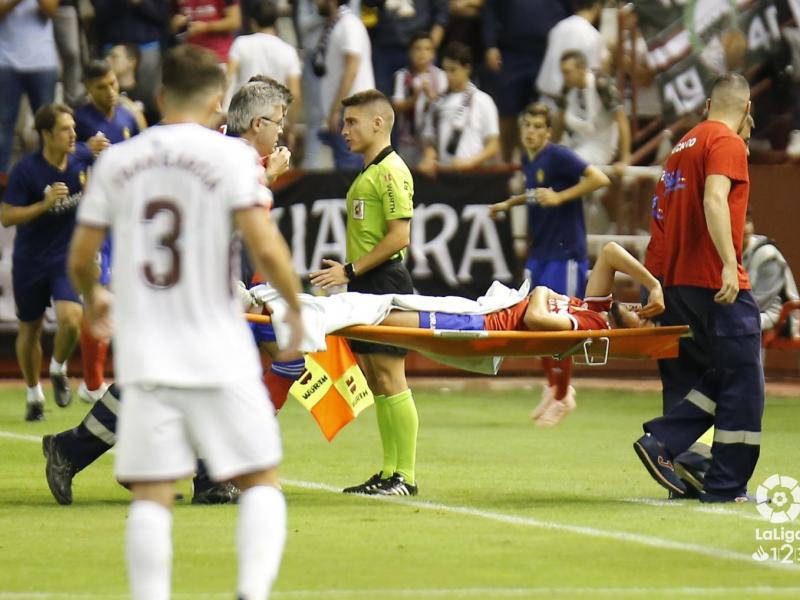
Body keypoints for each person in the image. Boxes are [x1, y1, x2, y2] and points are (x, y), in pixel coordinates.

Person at [68, 44, 303, 600]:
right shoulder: (232, 159)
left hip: (148, 347)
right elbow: (264, 244)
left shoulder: (120, 160)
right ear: (219, 101)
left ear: (157, 95)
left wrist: (93, 297)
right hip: (218, 343)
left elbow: (81, 257)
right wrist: (293, 304)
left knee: (152, 493)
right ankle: (251, 591)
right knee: (261, 478)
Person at [632, 73, 764, 504]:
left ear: (707, 104)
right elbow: (714, 199)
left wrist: (653, 287)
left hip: (674, 285)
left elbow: (660, 220)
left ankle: (683, 471)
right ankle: (717, 480)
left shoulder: (679, 148)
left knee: (695, 378)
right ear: (746, 108)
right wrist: (729, 262)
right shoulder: (726, 143)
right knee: (743, 378)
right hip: (713, 280)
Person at [310, 89, 419, 497]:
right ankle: (391, 471)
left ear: (378, 123)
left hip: (383, 283)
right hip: (365, 285)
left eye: (352, 122)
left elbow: (399, 236)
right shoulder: (370, 171)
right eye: (344, 122)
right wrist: (350, 275)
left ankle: (404, 476)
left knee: (392, 377)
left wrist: (349, 270)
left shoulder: (390, 170)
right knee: (376, 380)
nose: (344, 130)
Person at [488, 102, 610, 425]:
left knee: (559, 327)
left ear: (548, 132)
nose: (530, 131)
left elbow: (599, 178)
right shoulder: (529, 160)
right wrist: (507, 203)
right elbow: (535, 194)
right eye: (527, 125)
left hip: (565, 253)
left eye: (537, 127)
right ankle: (554, 386)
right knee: (533, 321)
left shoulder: (558, 156)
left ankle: (563, 395)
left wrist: (562, 197)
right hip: (540, 252)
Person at [0, 103, 88, 421]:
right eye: (65, 129)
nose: (72, 134)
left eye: (73, 128)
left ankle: (58, 368)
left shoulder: (80, 160)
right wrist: (44, 204)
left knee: (71, 320)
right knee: (31, 329)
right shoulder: (26, 170)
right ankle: (33, 393)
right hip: (30, 260)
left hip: (64, 257)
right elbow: (7, 216)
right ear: (46, 134)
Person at [0, 0, 60, 186]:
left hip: (42, 62)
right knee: (3, 125)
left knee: (48, 125)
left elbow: (51, 11)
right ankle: (2, 181)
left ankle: (48, 177)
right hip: (5, 62)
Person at [418, 42, 500, 176]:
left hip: (474, 175)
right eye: (446, 70)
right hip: (444, 175)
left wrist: (470, 162)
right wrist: (429, 158)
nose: (448, 76)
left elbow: (493, 145)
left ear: (467, 68)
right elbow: (430, 142)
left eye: (453, 70)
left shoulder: (483, 100)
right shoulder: (437, 102)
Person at [313, 0, 375, 170]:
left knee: (350, 176)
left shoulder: (349, 25)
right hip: (344, 112)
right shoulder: (337, 24)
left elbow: (352, 68)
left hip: (352, 112)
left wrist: (337, 109)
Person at [227, 1, 302, 139]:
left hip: (243, 117)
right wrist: (289, 126)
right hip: (273, 120)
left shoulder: (241, 44)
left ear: (253, 21)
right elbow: (295, 94)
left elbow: (228, 78)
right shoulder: (288, 51)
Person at [535, 0, 606, 110]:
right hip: (569, 105)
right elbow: (592, 76)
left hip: (545, 99)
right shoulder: (592, 35)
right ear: (597, 7)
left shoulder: (559, 26)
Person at [391, 30, 448, 167]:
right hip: (408, 141)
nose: (422, 53)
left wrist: (432, 96)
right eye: (418, 49)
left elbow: (446, 104)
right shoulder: (402, 76)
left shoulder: (441, 76)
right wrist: (414, 99)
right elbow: (396, 105)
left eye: (427, 49)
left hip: (434, 141)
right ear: (410, 53)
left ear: (433, 54)